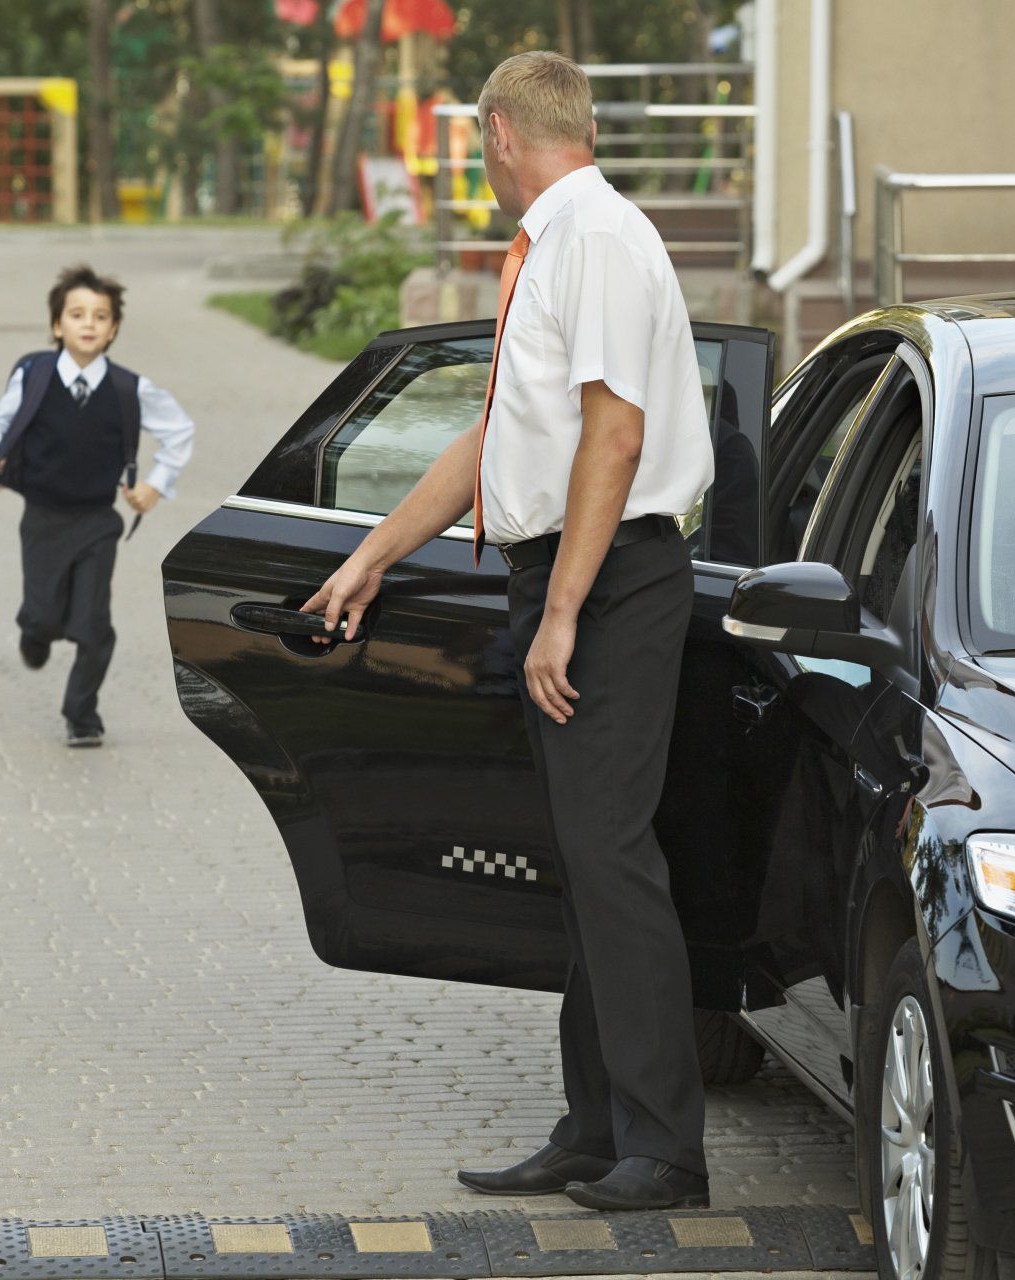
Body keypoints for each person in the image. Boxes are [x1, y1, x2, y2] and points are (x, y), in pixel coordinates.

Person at [301, 51, 715, 1211]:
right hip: (572, 570)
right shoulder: (553, 245)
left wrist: (568, 608)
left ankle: (666, 1148)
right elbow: (496, 440)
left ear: (495, 131)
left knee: (615, 859)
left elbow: (615, 440)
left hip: (616, 575)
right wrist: (372, 556)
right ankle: (596, 1127)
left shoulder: (597, 239)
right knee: (584, 860)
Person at [0, 265, 195, 748]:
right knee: (44, 613)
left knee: (92, 624)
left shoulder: (131, 389)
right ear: (57, 325)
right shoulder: (34, 375)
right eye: (76, 314)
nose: (88, 323)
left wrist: (155, 484)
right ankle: (35, 630)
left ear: (113, 329)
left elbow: (179, 431)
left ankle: (82, 714)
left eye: (100, 316)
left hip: (97, 521)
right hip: (42, 518)